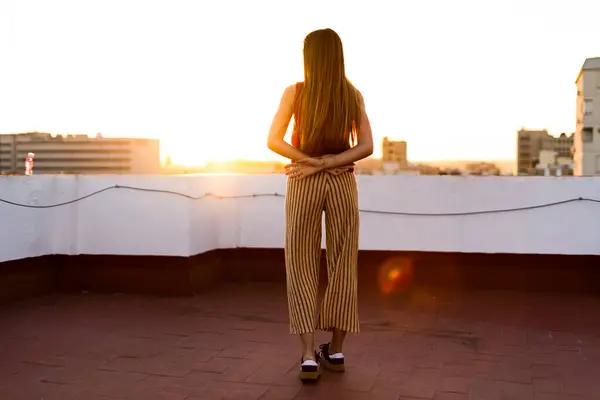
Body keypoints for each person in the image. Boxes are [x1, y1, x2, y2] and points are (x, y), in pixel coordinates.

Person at [267, 28, 373, 382]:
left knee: (301, 261)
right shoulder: (352, 95)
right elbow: (367, 146)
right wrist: (332, 162)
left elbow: (273, 140)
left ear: (308, 56)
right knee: (344, 261)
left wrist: (309, 161)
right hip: (342, 181)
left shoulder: (295, 92)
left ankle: (309, 356)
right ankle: (337, 350)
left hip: (304, 181)